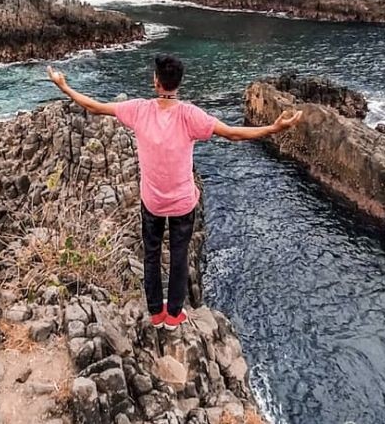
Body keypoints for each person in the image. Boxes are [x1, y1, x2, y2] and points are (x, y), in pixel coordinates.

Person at [47, 54, 302, 330]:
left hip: (153, 203)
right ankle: (174, 315)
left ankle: (156, 312)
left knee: (152, 254)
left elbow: (95, 107)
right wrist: (274, 128)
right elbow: (232, 134)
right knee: (180, 256)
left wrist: (64, 86)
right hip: (183, 204)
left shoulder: (138, 110)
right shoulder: (190, 115)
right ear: (178, 83)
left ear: (156, 81)